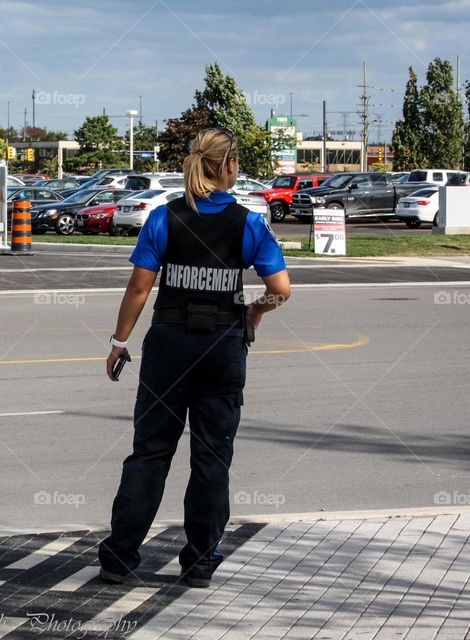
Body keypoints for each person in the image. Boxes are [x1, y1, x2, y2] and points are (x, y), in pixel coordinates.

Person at [98, 127, 291, 588]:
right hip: (222, 346)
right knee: (211, 459)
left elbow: (140, 288)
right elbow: (280, 290)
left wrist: (120, 341)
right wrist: (254, 313)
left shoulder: (164, 217)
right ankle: (199, 562)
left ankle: (120, 558)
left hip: (168, 344)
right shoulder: (249, 223)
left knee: (149, 454)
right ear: (228, 166)